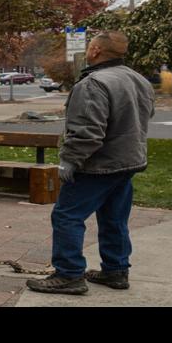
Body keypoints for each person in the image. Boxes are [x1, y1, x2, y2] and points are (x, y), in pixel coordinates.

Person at [26, 31, 154, 295]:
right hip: (128, 162)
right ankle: (116, 270)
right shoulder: (138, 79)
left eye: (89, 46)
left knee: (66, 216)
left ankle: (69, 275)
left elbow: (87, 132)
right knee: (114, 217)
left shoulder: (94, 83)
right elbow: (146, 114)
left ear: (95, 50)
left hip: (97, 166)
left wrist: (69, 162)